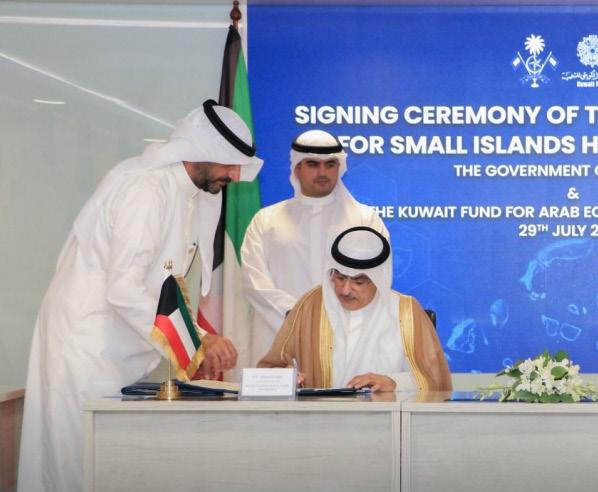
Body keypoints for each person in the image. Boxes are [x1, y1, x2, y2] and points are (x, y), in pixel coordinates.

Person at [19, 100, 263, 492]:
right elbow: (124, 289)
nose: (235, 176)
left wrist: (193, 348)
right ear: (201, 150)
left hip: (117, 353)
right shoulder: (147, 189)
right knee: (75, 467)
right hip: (87, 350)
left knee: (106, 467)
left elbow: (164, 290)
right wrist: (198, 341)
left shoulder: (184, 196)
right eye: (230, 164)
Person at [240, 130, 388, 369]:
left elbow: (378, 278)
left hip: (346, 338)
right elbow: (254, 282)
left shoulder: (365, 219)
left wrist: (333, 319)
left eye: (330, 164)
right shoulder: (266, 220)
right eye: (313, 164)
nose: (323, 172)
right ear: (297, 167)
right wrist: (298, 315)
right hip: (277, 333)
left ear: (340, 167)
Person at [257, 225, 451, 392]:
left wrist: (393, 382)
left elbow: (436, 380)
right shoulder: (310, 306)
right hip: (318, 419)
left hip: (385, 420)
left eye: (358, 282)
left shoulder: (406, 312)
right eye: (339, 278)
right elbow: (269, 370)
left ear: (379, 278)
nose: (345, 290)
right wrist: (284, 379)